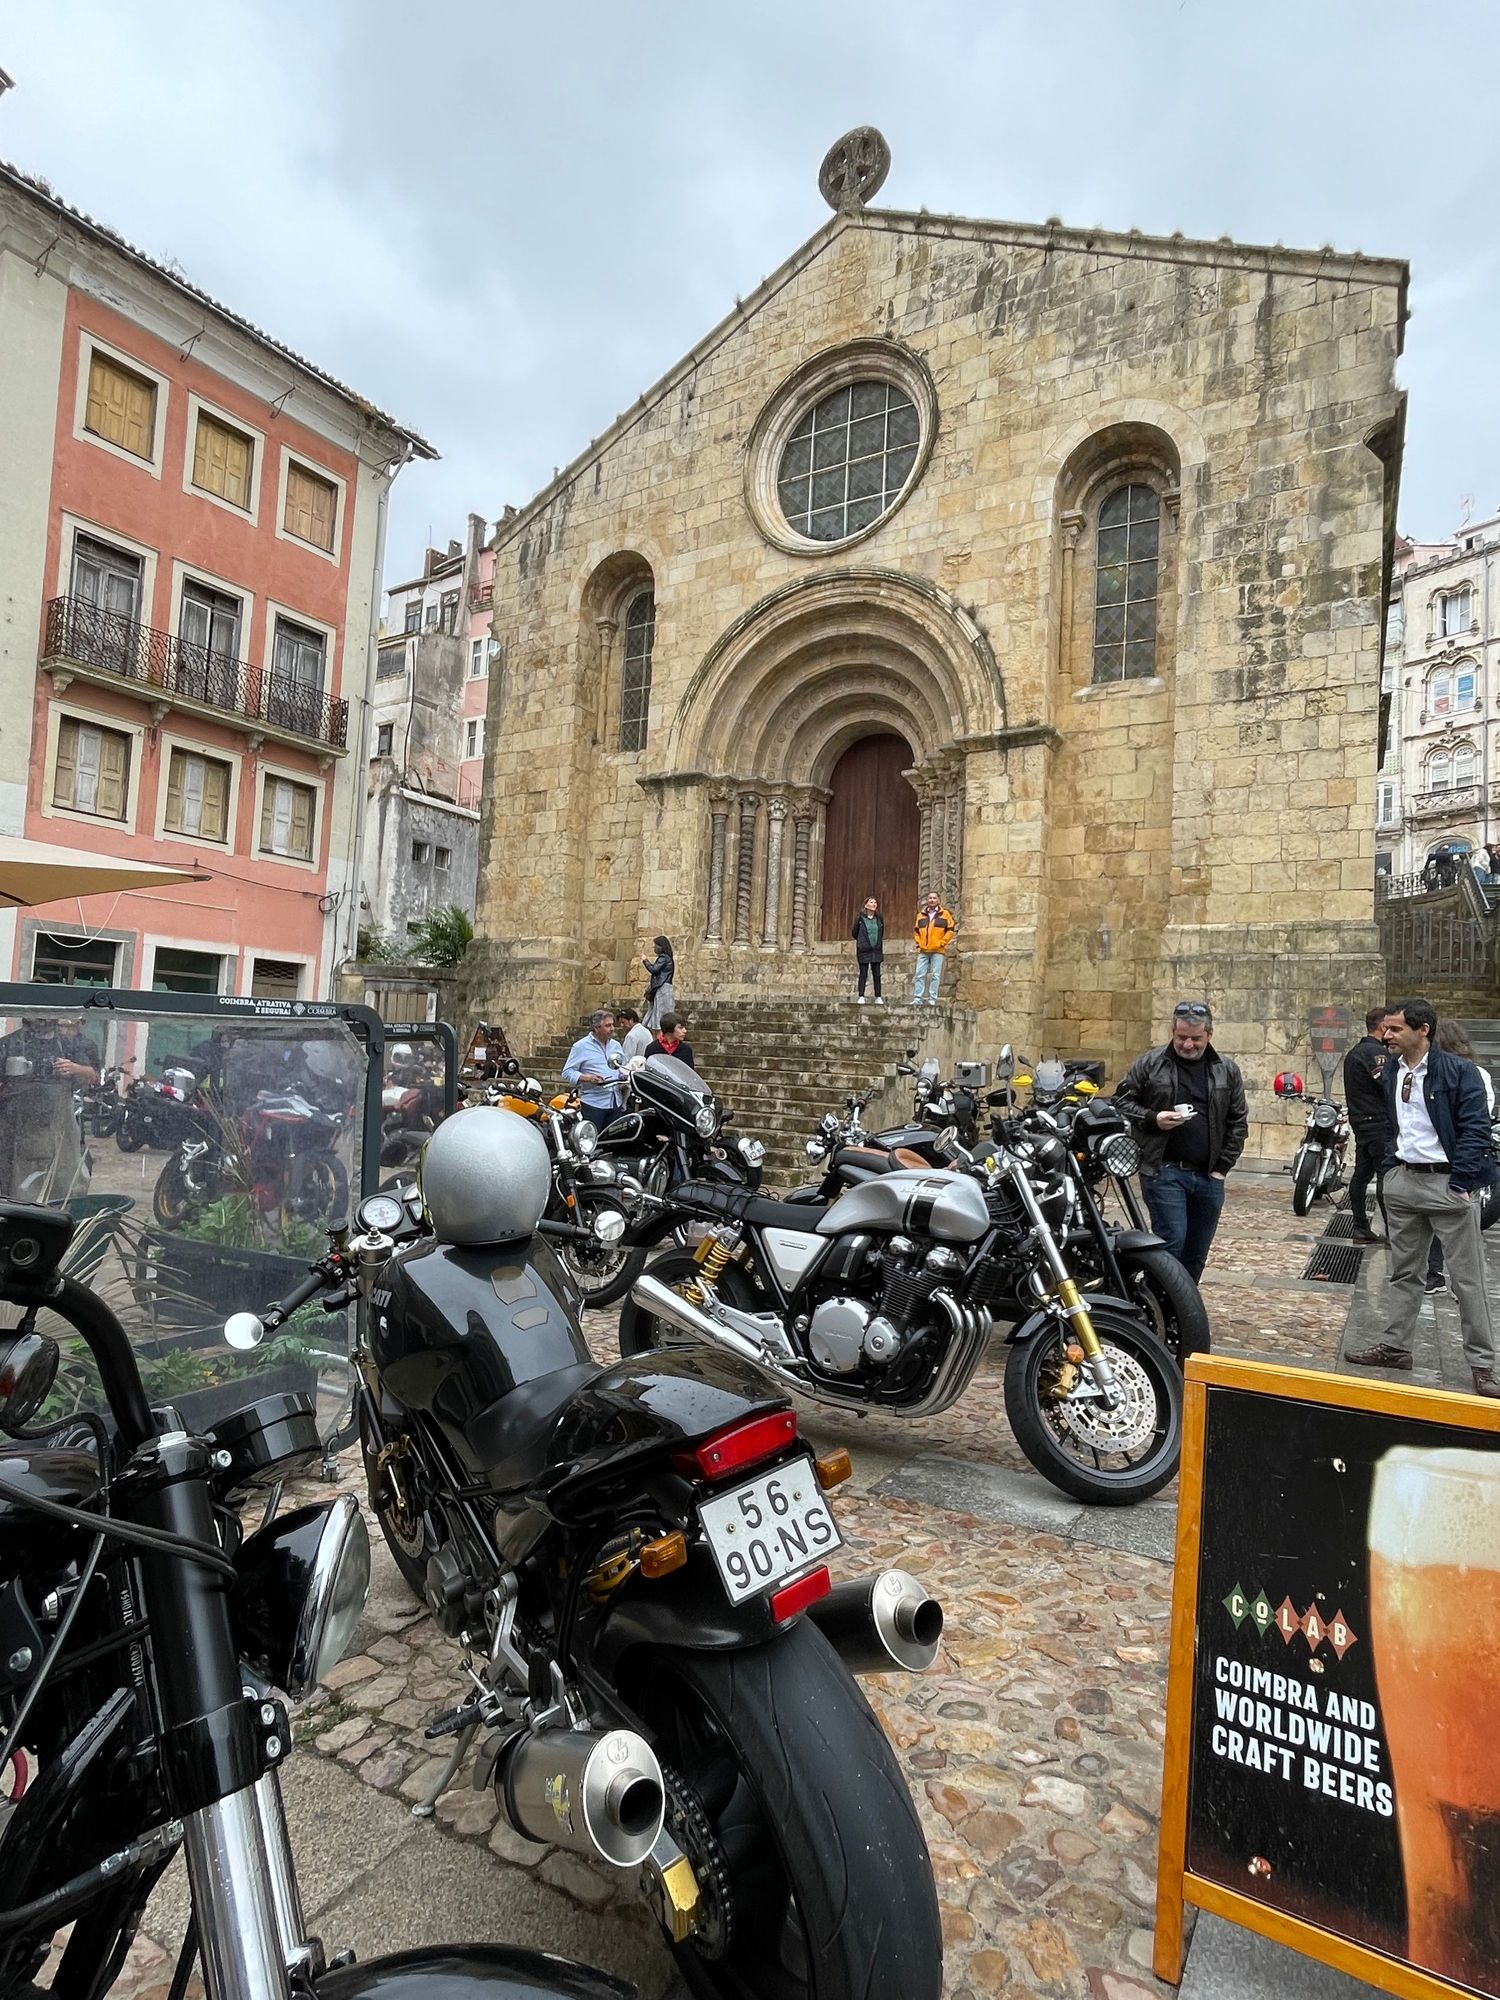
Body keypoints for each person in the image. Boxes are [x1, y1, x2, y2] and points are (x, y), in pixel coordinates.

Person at [1347, 998, 1499, 1397]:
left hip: (1447, 1185)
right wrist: (1390, 1169)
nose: (1386, 1035)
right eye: (1385, 1028)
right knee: (1404, 1272)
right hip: (1404, 1182)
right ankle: (1396, 1347)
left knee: (1467, 1280)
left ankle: (1482, 1364)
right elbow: (1392, 1123)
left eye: (1395, 1029)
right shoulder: (1392, 1070)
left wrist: (1461, 1182)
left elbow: (1476, 1129)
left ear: (1423, 1030)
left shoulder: (1460, 1072)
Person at [1112, 1001, 1248, 1284]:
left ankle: (1184, 1306)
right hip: (1164, 1171)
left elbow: (1238, 1121)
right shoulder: (1150, 1064)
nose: (1188, 1044)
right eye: (1181, 1037)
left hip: (1209, 1175)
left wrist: (1222, 1168)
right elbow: (1121, 1102)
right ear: (1172, 1032)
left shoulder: (1226, 1070)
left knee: (1196, 1252)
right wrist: (1153, 1118)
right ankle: (1159, 1301)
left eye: (1195, 1038)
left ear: (1209, 1035)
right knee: (1171, 1243)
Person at [1420, 1019, 1496, 1297]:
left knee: (1452, 1225)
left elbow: (1476, 1122)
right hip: (1458, 1160)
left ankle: (1443, 1277)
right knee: (1458, 1227)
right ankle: (1450, 1279)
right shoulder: (1477, 1073)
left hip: (1452, 1161)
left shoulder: (1465, 1074)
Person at [0, 1013, 100, 1202]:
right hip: (17, 1127)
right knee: (16, 1186)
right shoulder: (9, 1044)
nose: (41, 1018)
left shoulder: (69, 1045)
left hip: (60, 1126)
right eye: (36, 1013)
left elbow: (94, 1077)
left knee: (63, 1181)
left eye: (46, 1013)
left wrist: (75, 1068)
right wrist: (11, 1083)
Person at [1343, 1004, 1393, 1246]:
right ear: (1382, 1026)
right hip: (1378, 1123)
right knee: (1385, 1175)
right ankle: (1392, 1231)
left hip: (1361, 1122)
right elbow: (1387, 1084)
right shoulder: (1376, 1053)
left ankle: (1360, 1227)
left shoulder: (1355, 1052)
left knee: (1361, 1175)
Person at [561, 1008, 626, 1132]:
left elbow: (622, 1066)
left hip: (615, 1102)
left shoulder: (616, 1045)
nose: (612, 1029)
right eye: (608, 1025)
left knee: (613, 1141)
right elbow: (567, 1072)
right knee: (592, 1140)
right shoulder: (581, 1047)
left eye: (612, 1025)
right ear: (596, 1028)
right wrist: (588, 1078)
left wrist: (624, 1074)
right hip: (594, 1104)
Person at [912, 892, 956, 1007]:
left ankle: (932, 999)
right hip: (923, 950)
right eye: (930, 898)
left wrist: (943, 942)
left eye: (934, 898)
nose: (932, 900)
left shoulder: (945, 914)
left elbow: (950, 930)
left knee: (935, 975)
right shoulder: (921, 915)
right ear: (927, 900)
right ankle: (917, 998)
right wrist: (919, 943)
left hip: (938, 950)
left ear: (938, 900)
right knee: (919, 974)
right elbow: (916, 931)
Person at [851, 897, 886, 1004]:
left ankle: (878, 996)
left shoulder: (879, 918)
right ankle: (861, 996)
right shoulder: (860, 918)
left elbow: (881, 932)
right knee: (863, 973)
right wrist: (862, 942)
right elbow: (854, 932)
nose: (874, 904)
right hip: (864, 949)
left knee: (877, 974)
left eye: (875, 902)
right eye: (871, 902)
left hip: (876, 949)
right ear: (866, 905)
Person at [642, 936, 675, 1034]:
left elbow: (654, 969)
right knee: (656, 1013)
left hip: (663, 988)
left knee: (660, 1015)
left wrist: (645, 960)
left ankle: (660, 1036)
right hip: (662, 988)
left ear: (661, 946)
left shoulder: (664, 958)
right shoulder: (666, 958)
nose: (654, 948)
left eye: (656, 945)